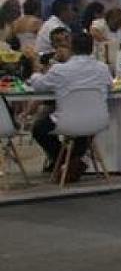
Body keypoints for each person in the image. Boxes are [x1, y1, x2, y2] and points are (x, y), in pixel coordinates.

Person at [29, 30, 112, 183]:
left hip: (68, 121)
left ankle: (64, 160)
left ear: (72, 47)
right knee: (82, 129)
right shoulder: (103, 68)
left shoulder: (60, 70)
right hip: (98, 120)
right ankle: (74, 161)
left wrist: (36, 71)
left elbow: (39, 85)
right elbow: (110, 87)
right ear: (92, 48)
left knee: (39, 129)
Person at [26, 27, 75, 175]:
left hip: (70, 108)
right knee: (40, 118)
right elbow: (43, 84)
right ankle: (61, 158)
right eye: (58, 41)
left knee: (40, 125)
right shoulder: (48, 60)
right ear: (52, 44)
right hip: (54, 102)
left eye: (66, 39)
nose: (63, 44)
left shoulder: (78, 60)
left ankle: (64, 159)